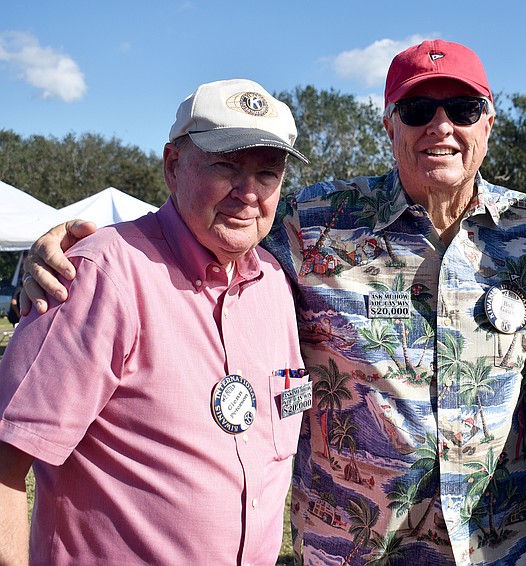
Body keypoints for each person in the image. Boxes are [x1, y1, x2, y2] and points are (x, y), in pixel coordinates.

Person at [17, 44, 526, 565]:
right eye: (418, 108)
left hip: (501, 547)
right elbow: (206, 248)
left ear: (489, 124)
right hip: (351, 549)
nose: (440, 126)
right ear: (390, 124)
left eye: (462, 109)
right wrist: (70, 250)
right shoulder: (312, 223)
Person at [0, 79, 309, 564]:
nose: (248, 193)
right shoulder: (100, 274)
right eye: (225, 165)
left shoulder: (274, 283)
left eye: (267, 174)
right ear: (172, 165)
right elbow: (5, 460)